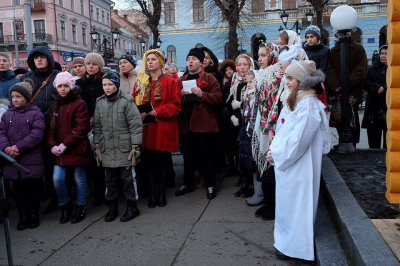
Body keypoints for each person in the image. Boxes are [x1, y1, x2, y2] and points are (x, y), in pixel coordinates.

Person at [269, 60, 330, 261]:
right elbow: (286, 130)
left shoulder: (308, 105)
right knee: (288, 205)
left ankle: (297, 248)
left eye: (290, 78)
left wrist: (277, 153)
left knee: (297, 206)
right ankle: (287, 244)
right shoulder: (299, 100)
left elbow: (299, 140)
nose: (286, 81)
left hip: (299, 164)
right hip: (292, 163)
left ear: (301, 81)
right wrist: (276, 148)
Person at [134, 49, 181, 208]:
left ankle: (161, 193)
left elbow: (176, 104)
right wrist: (138, 112)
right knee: (148, 162)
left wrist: (159, 111)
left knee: (161, 163)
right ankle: (152, 194)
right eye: (148, 60)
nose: (150, 62)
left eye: (153, 59)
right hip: (147, 128)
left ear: (160, 62)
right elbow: (135, 101)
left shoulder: (170, 81)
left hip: (162, 128)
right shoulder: (142, 82)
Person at [94, 71, 142, 222]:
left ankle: (132, 206)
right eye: (104, 85)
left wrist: (135, 146)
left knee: (128, 179)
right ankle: (112, 206)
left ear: (116, 84)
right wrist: (97, 146)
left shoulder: (127, 101)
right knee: (110, 180)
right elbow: (97, 126)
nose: (107, 87)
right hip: (107, 148)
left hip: (124, 148)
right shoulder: (100, 102)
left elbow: (136, 125)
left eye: (110, 84)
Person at [175, 48, 223, 199]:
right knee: (188, 157)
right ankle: (187, 183)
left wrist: (202, 94)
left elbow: (218, 99)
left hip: (204, 125)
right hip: (186, 125)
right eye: (189, 58)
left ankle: (210, 185)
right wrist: (180, 97)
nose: (190, 61)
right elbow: (174, 101)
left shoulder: (209, 78)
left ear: (201, 63)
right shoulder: (181, 80)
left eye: (194, 59)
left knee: (206, 157)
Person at [19, 45, 60, 214]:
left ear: (49, 59)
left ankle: (56, 198)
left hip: (53, 128)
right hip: (33, 130)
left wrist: (44, 115)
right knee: (36, 165)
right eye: (36, 58)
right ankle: (40, 197)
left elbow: (62, 99)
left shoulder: (58, 77)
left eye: (42, 57)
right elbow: (22, 101)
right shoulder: (27, 78)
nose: (39, 60)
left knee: (53, 165)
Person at [0, 79, 45, 230]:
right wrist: (6, 148)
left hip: (30, 158)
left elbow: (37, 134)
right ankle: (22, 216)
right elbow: (1, 133)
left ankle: (33, 215)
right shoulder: (7, 115)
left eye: (18, 96)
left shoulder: (35, 113)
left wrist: (18, 147)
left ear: (26, 97)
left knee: (32, 189)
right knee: (18, 191)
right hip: (12, 159)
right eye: (13, 97)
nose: (15, 99)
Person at [48, 72, 92, 224]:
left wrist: (65, 144)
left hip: (77, 147)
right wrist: (53, 145)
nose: (63, 89)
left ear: (71, 86)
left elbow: (81, 127)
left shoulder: (79, 103)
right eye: (59, 86)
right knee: (57, 179)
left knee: (79, 179)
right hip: (60, 150)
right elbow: (51, 129)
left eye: (66, 86)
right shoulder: (55, 104)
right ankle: (65, 205)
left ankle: (80, 206)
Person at [326, 32, 368, 153]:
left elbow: (362, 68)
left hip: (353, 91)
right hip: (338, 90)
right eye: (338, 34)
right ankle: (342, 142)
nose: (342, 35)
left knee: (352, 116)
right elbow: (329, 69)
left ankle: (353, 142)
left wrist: (347, 83)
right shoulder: (333, 51)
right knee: (339, 117)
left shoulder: (359, 49)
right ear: (335, 35)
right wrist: (337, 85)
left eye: (345, 33)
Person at [77, 53, 106, 206]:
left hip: (103, 124)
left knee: (101, 160)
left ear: (99, 66)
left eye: (94, 64)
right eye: (88, 64)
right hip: (86, 125)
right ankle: (94, 191)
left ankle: (103, 192)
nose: (91, 66)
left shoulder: (105, 81)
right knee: (90, 161)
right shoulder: (81, 84)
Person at [362, 45, 388, 149]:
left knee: (389, 137)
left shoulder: (394, 69)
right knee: (373, 137)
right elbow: (365, 82)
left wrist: (385, 88)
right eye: (382, 53)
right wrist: (376, 87)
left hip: (388, 106)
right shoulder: (373, 68)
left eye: (386, 53)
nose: (383, 56)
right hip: (374, 107)